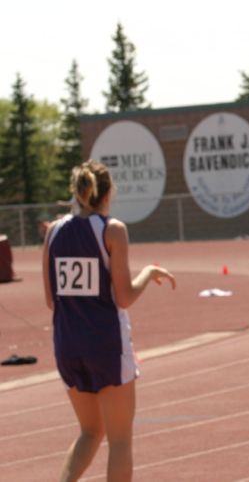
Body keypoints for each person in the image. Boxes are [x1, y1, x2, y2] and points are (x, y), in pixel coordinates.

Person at [42, 160, 176, 482]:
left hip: (67, 344)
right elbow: (124, 297)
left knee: (89, 431)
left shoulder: (54, 233)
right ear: (108, 193)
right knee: (119, 439)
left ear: (76, 192)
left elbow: (50, 301)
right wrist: (148, 272)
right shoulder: (112, 230)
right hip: (106, 344)